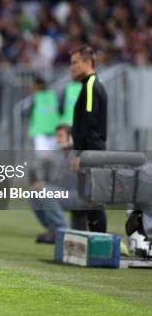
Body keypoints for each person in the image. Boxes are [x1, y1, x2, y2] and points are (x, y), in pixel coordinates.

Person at [69, 45, 108, 232]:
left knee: (93, 200)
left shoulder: (91, 86)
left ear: (88, 62)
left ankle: (100, 242)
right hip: (91, 152)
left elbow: (90, 124)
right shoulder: (88, 87)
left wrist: (81, 155)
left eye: (75, 63)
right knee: (90, 200)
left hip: (91, 154)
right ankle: (96, 241)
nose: (72, 67)